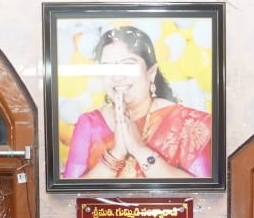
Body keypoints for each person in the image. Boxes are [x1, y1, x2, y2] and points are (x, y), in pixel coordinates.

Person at [62, 24, 212, 180]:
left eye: (128, 65)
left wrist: (139, 149)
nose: (117, 76)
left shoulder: (187, 123)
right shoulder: (89, 123)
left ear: (151, 72)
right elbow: (69, 193)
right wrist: (117, 153)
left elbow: (204, 191)